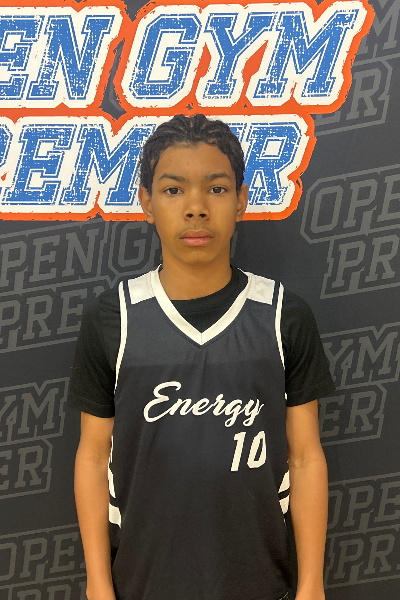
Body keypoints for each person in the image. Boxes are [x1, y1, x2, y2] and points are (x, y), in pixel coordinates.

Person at [67, 114, 335, 600]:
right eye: (173, 190)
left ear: (241, 199)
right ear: (146, 202)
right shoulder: (113, 318)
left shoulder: (283, 316)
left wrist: (312, 585)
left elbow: (304, 456)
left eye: (216, 189)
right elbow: (93, 454)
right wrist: (98, 583)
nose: (196, 208)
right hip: (142, 583)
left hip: (258, 582)